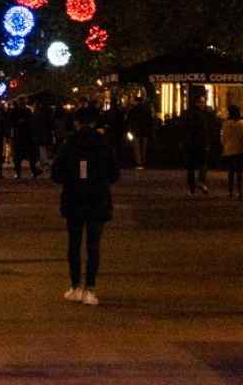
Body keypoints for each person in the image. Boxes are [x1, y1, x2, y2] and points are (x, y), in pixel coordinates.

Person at [52, 107, 119, 305]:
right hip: (97, 197)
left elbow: (56, 174)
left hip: (74, 197)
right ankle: (90, 287)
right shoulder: (104, 144)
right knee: (93, 244)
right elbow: (114, 174)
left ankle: (75, 285)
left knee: (74, 243)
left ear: (77, 122)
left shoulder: (69, 144)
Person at [183, 92, 215, 195]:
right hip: (197, 143)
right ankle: (198, 184)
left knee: (196, 166)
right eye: (201, 102)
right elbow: (203, 130)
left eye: (203, 102)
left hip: (195, 143)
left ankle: (195, 186)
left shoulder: (195, 113)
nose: (203, 104)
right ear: (197, 102)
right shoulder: (200, 115)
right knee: (198, 166)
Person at [220, 105, 243, 200]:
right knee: (239, 171)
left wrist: (224, 146)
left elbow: (223, 138)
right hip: (240, 150)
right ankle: (239, 191)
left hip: (229, 150)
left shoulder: (226, 124)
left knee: (230, 171)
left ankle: (230, 191)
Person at [11, 101, 41, 179]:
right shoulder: (24, 111)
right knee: (27, 156)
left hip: (22, 136)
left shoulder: (18, 111)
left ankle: (21, 173)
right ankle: (32, 171)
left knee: (20, 156)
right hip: (24, 136)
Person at [126, 98, 154, 169]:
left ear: (136, 102)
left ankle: (138, 162)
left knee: (136, 147)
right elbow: (150, 121)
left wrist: (130, 130)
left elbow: (129, 120)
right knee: (144, 147)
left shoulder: (133, 110)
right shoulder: (147, 110)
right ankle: (143, 160)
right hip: (145, 131)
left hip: (136, 131)